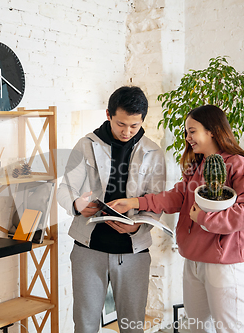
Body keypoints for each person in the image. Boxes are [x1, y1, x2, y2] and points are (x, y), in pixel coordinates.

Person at [110, 105, 244, 333]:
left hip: (224, 264)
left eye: (192, 131)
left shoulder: (237, 164)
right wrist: (133, 203)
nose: (187, 137)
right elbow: (176, 197)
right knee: (197, 329)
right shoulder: (198, 165)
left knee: (231, 330)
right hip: (192, 260)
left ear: (211, 130)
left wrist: (204, 218)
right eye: (186, 132)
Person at [57, 86, 166, 333]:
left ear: (142, 121)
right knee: (85, 326)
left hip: (133, 252)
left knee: (132, 326)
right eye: (121, 124)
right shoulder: (86, 144)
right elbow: (65, 189)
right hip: (88, 250)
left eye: (134, 126)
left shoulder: (153, 152)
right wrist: (77, 204)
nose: (127, 132)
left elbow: (156, 201)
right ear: (108, 114)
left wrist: (138, 224)